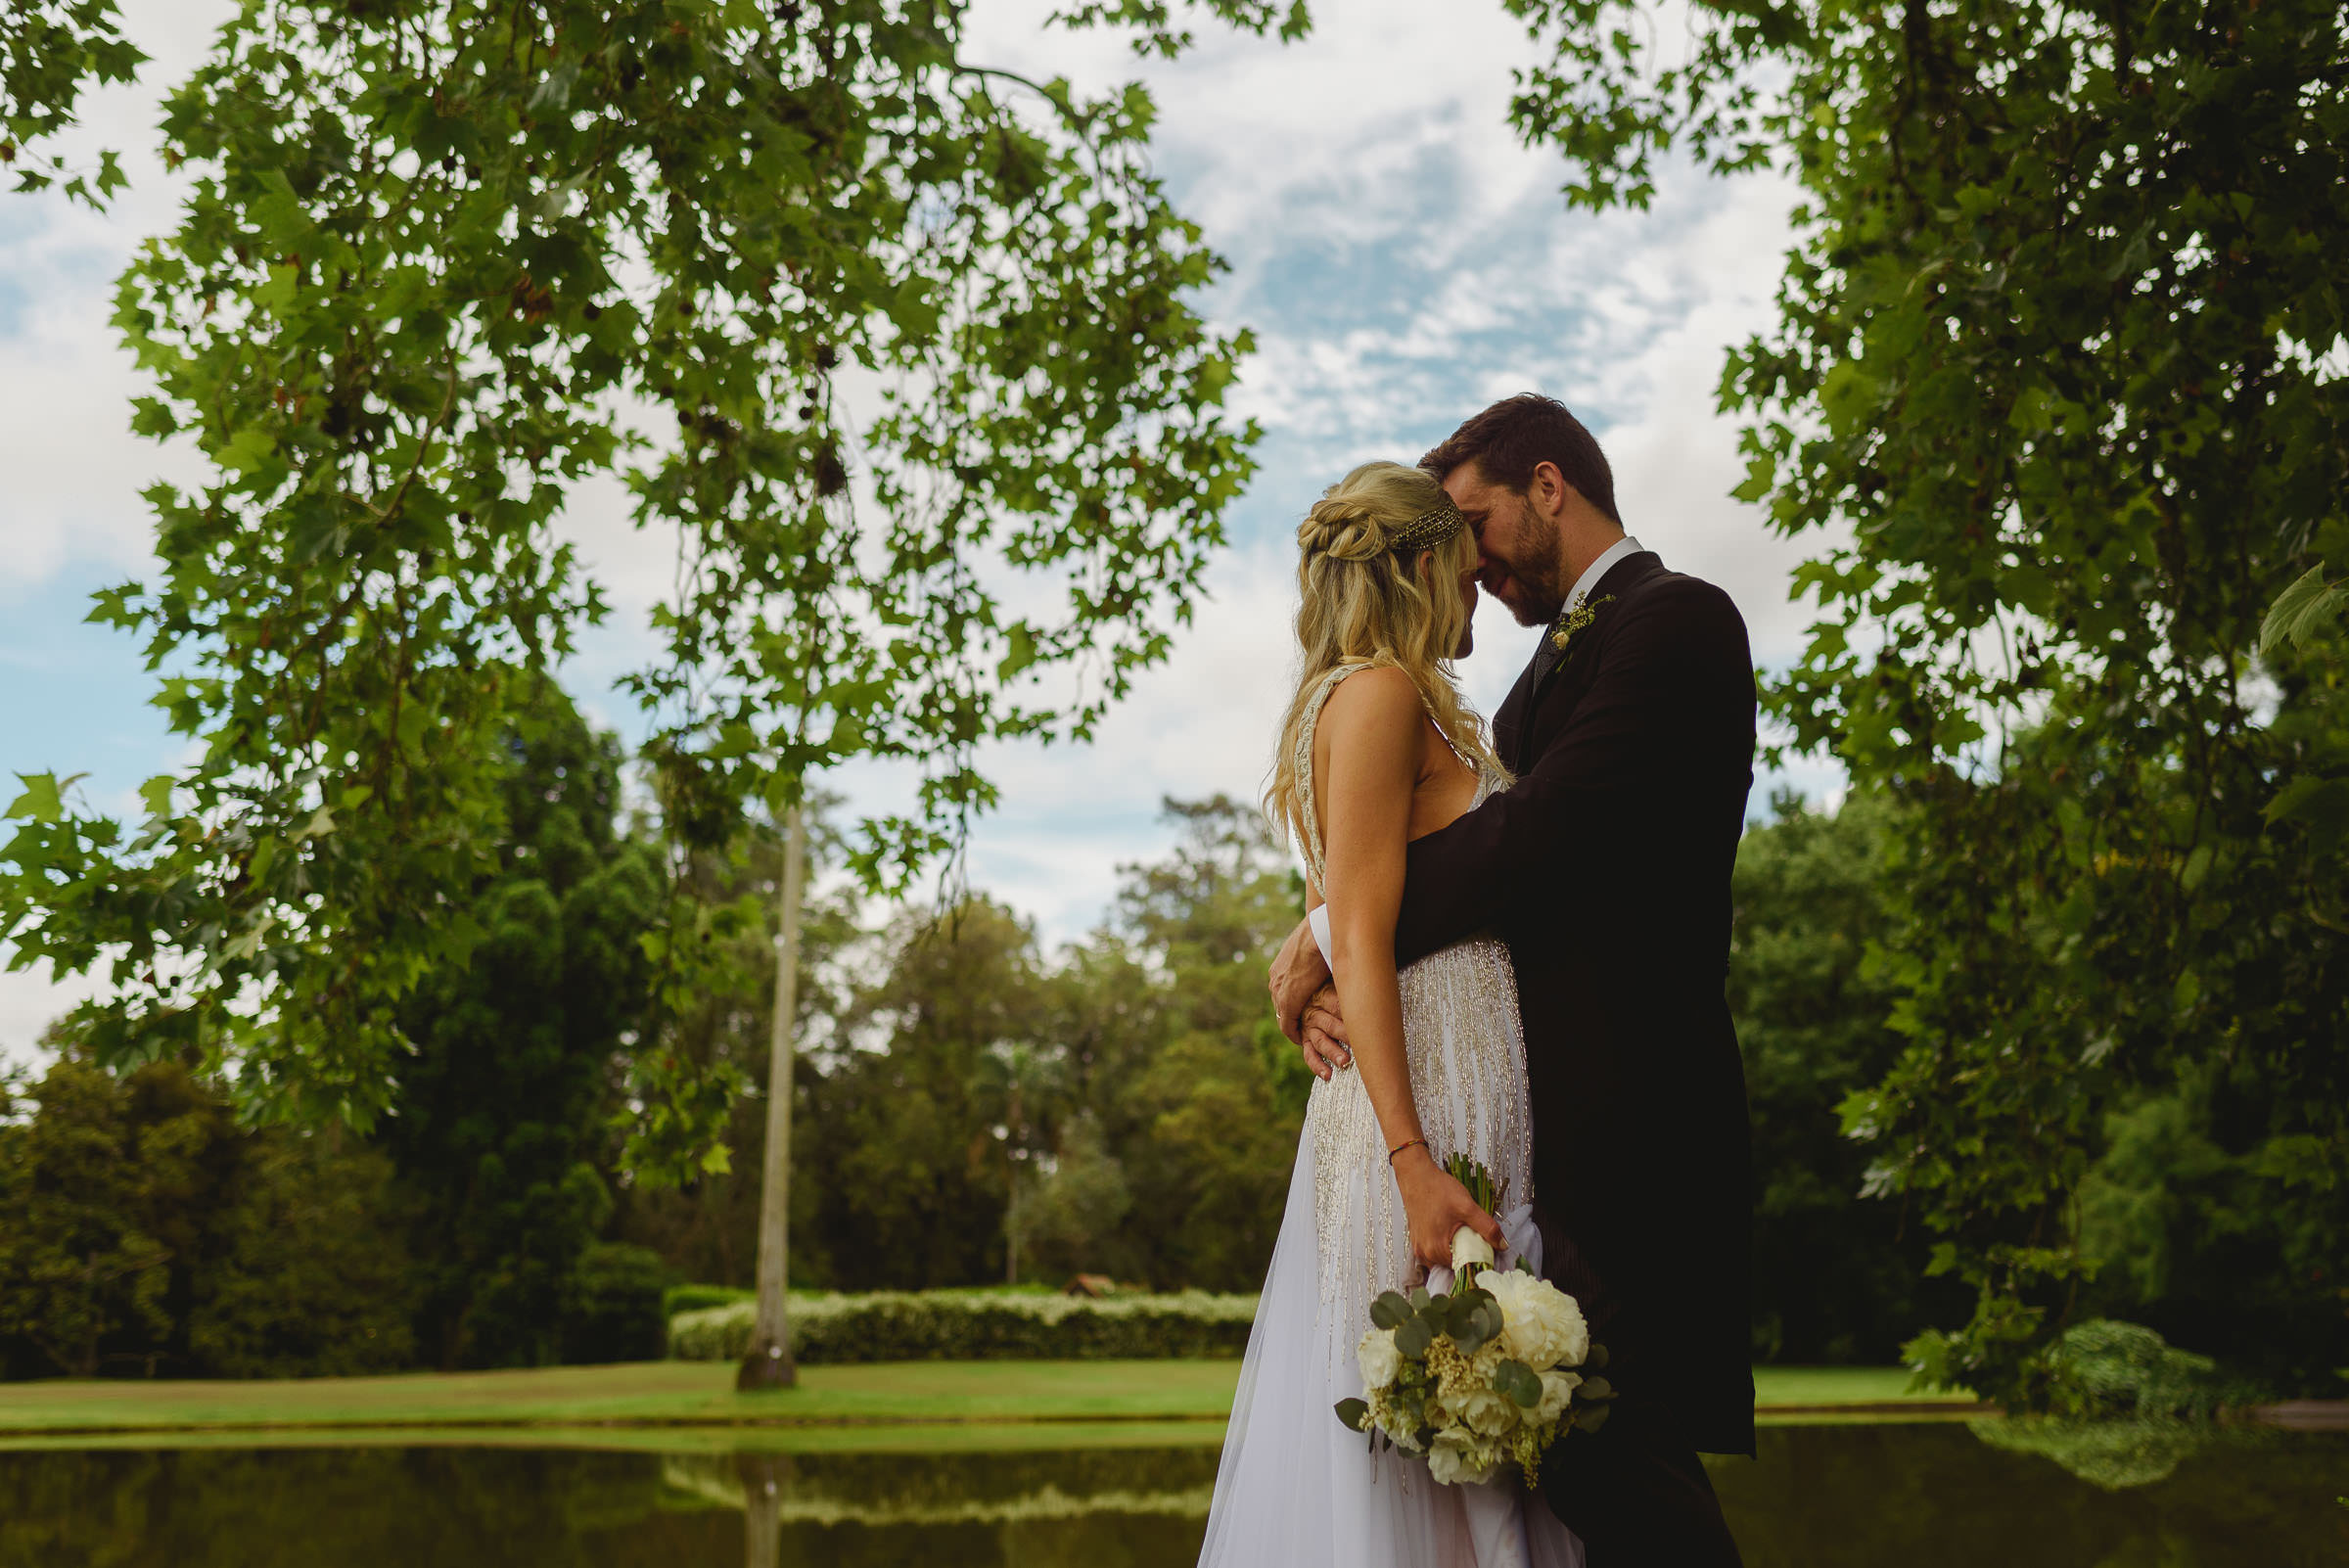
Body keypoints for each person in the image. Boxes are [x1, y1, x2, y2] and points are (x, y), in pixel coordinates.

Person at [1267, 395, 1758, 1568]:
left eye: (1478, 520)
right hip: (1523, 1138)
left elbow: (1540, 836)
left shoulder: (1679, 619)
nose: (1471, 558)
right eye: (1448, 540)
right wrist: (1341, 921)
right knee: (1555, 1478)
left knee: (1618, 1473)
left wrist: (1341, 931)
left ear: (1550, 487)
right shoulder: (1512, 686)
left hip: (1637, 1127)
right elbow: (1418, 840)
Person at [1197, 460, 1583, 1568]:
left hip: (1459, 1081)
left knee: (1471, 1454)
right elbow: (1359, 932)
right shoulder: (1378, 695)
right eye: (1461, 570)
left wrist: (1304, 954)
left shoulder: (1401, 702)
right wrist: (1414, 1159)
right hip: (1414, 1105)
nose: (1476, 593)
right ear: (1421, 566)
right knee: (1438, 1453)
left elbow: (1340, 911)